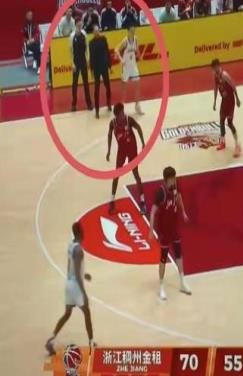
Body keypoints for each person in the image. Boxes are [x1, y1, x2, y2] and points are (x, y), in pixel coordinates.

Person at [45, 222, 95, 355]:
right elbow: (77, 274)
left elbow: (71, 267)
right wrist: (84, 293)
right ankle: (91, 342)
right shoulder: (79, 250)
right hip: (76, 286)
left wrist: (84, 274)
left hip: (68, 283)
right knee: (87, 313)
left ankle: (51, 339)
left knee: (67, 314)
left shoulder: (70, 246)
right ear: (80, 232)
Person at [149, 166, 192, 300]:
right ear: (167, 179)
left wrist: (183, 212)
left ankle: (182, 282)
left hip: (174, 227)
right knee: (163, 257)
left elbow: (179, 198)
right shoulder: (161, 193)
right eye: (172, 178)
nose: (174, 180)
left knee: (179, 253)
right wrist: (151, 230)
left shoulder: (175, 187)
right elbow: (153, 212)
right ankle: (161, 287)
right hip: (164, 230)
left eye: (174, 178)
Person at [106, 103, 146, 214]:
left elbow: (138, 128)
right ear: (117, 115)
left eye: (123, 112)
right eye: (122, 113)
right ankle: (112, 201)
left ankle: (143, 202)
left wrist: (143, 142)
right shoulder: (113, 123)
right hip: (122, 151)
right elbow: (109, 135)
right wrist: (108, 151)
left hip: (132, 149)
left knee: (136, 174)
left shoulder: (129, 120)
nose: (124, 114)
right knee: (116, 175)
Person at [211, 58, 241, 157]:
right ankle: (223, 143)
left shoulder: (225, 75)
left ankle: (237, 145)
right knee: (221, 121)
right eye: (213, 69)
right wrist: (214, 101)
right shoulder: (215, 75)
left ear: (218, 66)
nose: (213, 70)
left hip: (230, 101)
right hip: (224, 101)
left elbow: (233, 86)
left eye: (214, 68)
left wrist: (237, 99)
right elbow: (215, 88)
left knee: (230, 123)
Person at [115, 25, 143, 114]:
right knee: (124, 88)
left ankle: (137, 106)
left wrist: (139, 56)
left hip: (133, 65)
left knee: (137, 85)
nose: (133, 32)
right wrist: (121, 59)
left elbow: (137, 49)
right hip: (126, 66)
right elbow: (116, 50)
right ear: (128, 31)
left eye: (134, 30)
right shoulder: (125, 41)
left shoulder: (136, 39)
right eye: (131, 30)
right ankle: (121, 108)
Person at [89, 25, 112, 118]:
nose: (97, 32)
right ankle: (97, 110)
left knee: (108, 86)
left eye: (98, 30)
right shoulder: (91, 43)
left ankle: (109, 103)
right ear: (93, 33)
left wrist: (110, 66)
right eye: (95, 31)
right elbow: (91, 57)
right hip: (96, 68)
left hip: (104, 66)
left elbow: (107, 52)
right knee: (96, 89)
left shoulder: (103, 39)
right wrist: (91, 70)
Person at [70, 20, 93, 111]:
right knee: (74, 84)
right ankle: (73, 104)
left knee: (86, 83)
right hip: (76, 61)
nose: (80, 25)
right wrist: (72, 63)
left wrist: (88, 59)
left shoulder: (84, 34)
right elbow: (70, 51)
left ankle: (89, 104)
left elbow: (87, 48)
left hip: (83, 60)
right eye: (78, 24)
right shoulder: (72, 36)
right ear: (76, 25)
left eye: (81, 24)